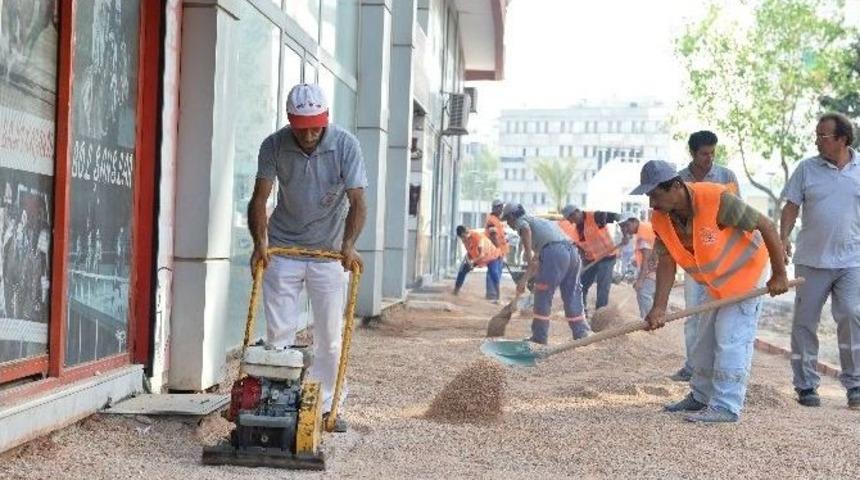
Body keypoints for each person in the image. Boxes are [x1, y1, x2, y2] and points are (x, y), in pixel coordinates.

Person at [248, 83, 367, 432]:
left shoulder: (345, 145)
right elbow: (259, 199)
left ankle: (327, 407)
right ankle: (276, 404)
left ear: (326, 118)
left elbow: (358, 202)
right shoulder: (273, 145)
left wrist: (348, 245)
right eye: (303, 128)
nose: (311, 134)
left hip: (329, 251)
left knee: (330, 335)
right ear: (290, 122)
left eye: (317, 125)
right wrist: (261, 243)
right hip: (283, 245)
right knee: (278, 334)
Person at [631, 160, 788, 423]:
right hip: (716, 281)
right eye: (649, 196)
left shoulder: (717, 199)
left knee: (730, 335)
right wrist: (658, 308)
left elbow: (766, 226)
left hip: (746, 272)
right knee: (703, 338)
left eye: (655, 195)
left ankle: (726, 405)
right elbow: (667, 261)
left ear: (676, 187)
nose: (651, 203)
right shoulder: (661, 217)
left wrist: (780, 274)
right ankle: (701, 397)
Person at [780, 112, 860, 409]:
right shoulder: (806, 169)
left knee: (852, 315)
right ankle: (806, 386)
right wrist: (782, 238)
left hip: (851, 260)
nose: (817, 140)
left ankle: (855, 385)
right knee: (804, 323)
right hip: (812, 261)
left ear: (842, 139)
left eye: (823, 135)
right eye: (816, 135)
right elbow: (790, 207)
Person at [670, 130, 741, 383]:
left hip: (723, 257)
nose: (708, 158)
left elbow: (738, 213)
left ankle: (716, 370)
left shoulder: (726, 176)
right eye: (703, 154)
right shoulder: (678, 180)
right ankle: (693, 367)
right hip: (694, 258)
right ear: (692, 153)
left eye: (712, 153)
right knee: (694, 314)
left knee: (722, 315)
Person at [501, 203, 590, 343]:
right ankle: (581, 333)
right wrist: (523, 280)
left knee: (542, 293)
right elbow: (535, 264)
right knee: (572, 293)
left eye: (507, 220)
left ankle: (539, 337)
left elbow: (525, 230)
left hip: (555, 253)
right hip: (572, 252)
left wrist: (528, 256)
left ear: (512, 216)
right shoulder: (540, 224)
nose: (509, 224)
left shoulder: (522, 222)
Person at [559, 205, 620, 310]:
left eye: (572, 218)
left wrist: (626, 231)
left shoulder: (596, 216)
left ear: (577, 212)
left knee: (602, 286)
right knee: (581, 284)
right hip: (591, 259)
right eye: (569, 220)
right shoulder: (576, 228)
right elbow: (580, 246)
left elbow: (618, 217)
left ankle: (600, 314)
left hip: (607, 256)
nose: (572, 222)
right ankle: (581, 310)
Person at [453, 225, 503, 300]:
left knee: (493, 273)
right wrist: (468, 262)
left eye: (464, 236)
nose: (463, 239)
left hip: (491, 256)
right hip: (478, 258)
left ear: (466, 233)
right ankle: (455, 291)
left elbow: (482, 255)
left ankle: (499, 297)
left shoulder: (477, 237)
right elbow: (469, 253)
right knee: (463, 270)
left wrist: (472, 262)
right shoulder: (465, 240)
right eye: (461, 237)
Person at [621, 217, 657, 319]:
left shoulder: (643, 235)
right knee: (648, 294)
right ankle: (651, 319)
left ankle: (650, 321)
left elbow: (646, 259)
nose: (627, 229)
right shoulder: (644, 229)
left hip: (654, 269)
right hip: (656, 266)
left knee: (644, 293)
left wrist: (640, 280)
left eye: (628, 226)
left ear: (635, 222)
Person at [483, 199, 509, 300]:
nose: (502, 210)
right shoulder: (492, 220)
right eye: (501, 208)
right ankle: (491, 294)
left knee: (496, 272)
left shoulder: (497, 220)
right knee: (493, 272)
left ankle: (492, 292)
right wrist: (498, 249)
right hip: (494, 251)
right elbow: (493, 236)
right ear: (496, 208)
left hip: (498, 251)